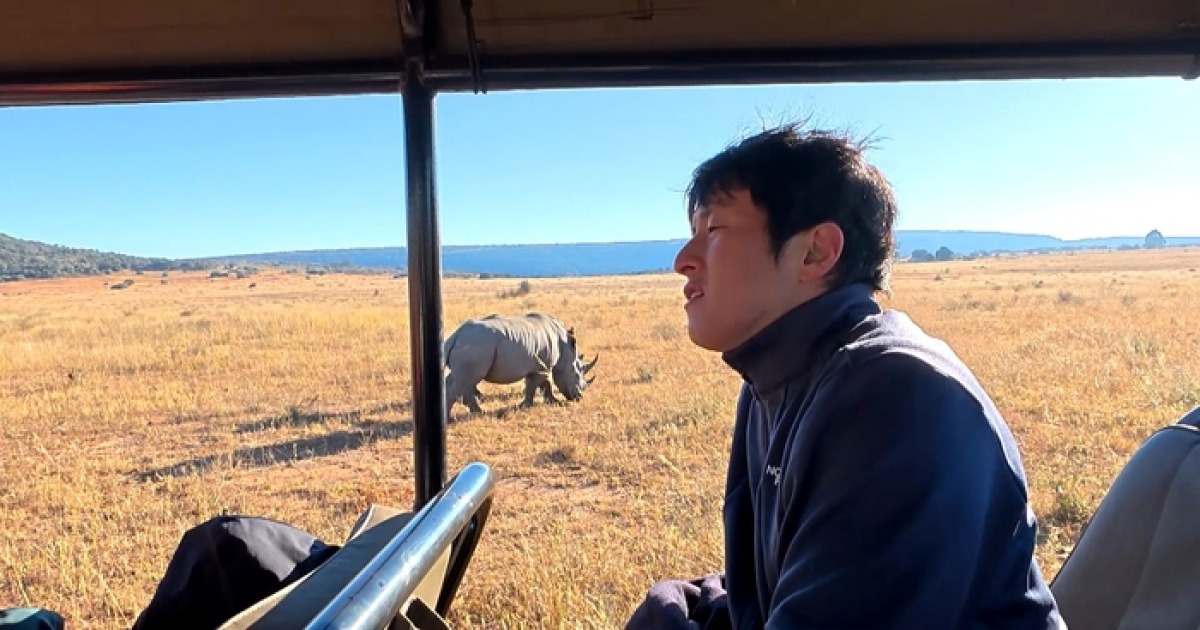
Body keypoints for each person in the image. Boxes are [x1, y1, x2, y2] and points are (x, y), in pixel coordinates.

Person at [625, 123, 1066, 629]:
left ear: (816, 252)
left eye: (714, 230)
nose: (684, 261)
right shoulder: (773, 384)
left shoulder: (896, 399)